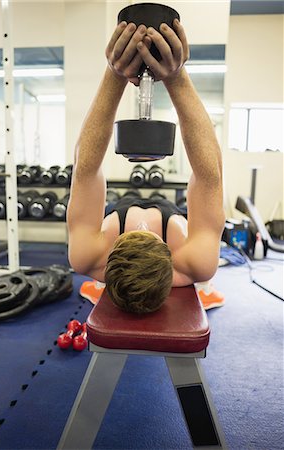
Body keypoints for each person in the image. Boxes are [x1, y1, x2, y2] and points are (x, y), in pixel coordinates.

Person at [67, 19, 226, 313]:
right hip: (172, 223)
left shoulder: (88, 257)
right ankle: (206, 290)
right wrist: (176, 77)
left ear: (110, 257)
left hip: (119, 213)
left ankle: (98, 285)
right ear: (171, 260)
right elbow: (209, 177)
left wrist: (115, 74)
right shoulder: (195, 261)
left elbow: (85, 170)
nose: (140, 227)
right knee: (204, 272)